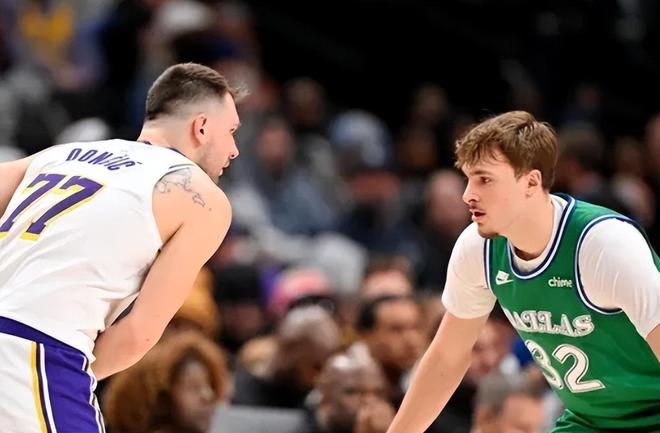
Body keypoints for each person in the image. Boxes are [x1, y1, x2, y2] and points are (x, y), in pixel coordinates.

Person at [0, 62, 242, 432]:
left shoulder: (61, 154)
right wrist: (77, 371)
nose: (235, 150)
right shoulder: (202, 197)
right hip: (36, 349)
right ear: (202, 126)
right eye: (232, 131)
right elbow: (138, 333)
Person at [386, 111, 660, 433]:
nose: (467, 194)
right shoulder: (478, 248)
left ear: (531, 182)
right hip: (589, 421)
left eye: (484, 179)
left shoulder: (603, 244)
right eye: (468, 178)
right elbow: (447, 357)